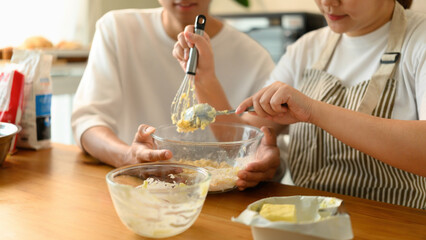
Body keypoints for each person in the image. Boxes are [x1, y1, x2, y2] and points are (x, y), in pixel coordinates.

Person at [173, 0, 425, 209]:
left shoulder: (418, 40)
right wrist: (205, 78)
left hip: (393, 222)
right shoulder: (307, 48)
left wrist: (314, 111)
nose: (327, 3)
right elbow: (242, 136)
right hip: (308, 221)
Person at [71, 0, 283, 188]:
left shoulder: (254, 58)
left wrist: (264, 165)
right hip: (135, 188)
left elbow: (264, 154)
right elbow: (88, 122)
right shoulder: (117, 29)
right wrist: (127, 157)